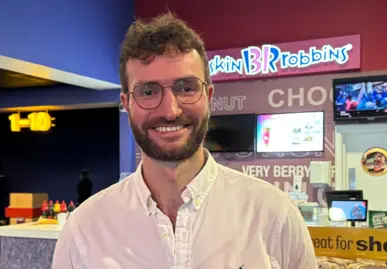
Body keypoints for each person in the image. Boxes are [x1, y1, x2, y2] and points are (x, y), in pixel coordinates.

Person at [52, 13, 317, 269]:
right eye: (147, 91)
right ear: (127, 103)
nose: (170, 111)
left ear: (208, 96)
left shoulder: (274, 216)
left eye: (186, 88)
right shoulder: (85, 229)